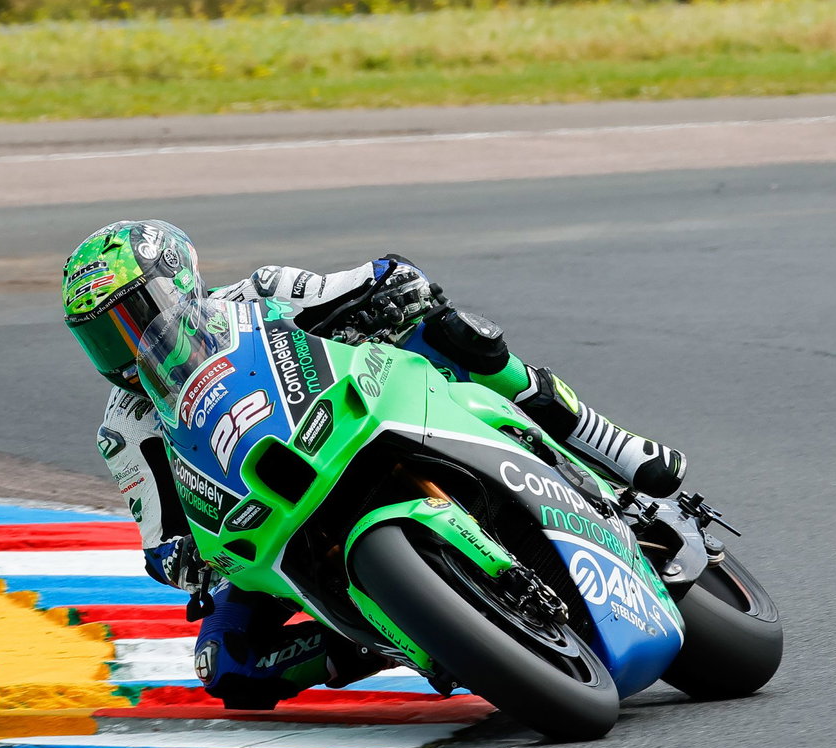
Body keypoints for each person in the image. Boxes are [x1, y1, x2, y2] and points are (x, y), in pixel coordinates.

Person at [63, 219, 686, 709]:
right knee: (228, 665)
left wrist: (389, 286)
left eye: (132, 314)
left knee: (452, 330)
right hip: (265, 511)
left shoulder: (258, 293)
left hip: (358, 412)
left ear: (178, 283)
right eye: (100, 336)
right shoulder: (124, 427)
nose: (124, 342)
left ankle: (609, 444)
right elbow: (158, 533)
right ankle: (404, 637)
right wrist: (178, 560)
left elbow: (364, 279)